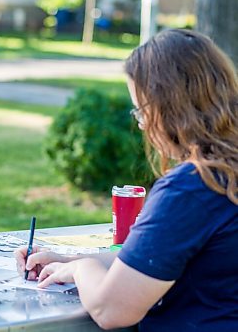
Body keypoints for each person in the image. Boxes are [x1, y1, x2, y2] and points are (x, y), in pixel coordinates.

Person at [15, 29, 238, 331]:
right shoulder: (226, 173)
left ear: (169, 108)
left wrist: (84, 269)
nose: (142, 125)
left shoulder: (192, 188)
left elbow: (113, 310)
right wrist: (69, 260)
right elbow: (152, 259)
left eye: (141, 111)